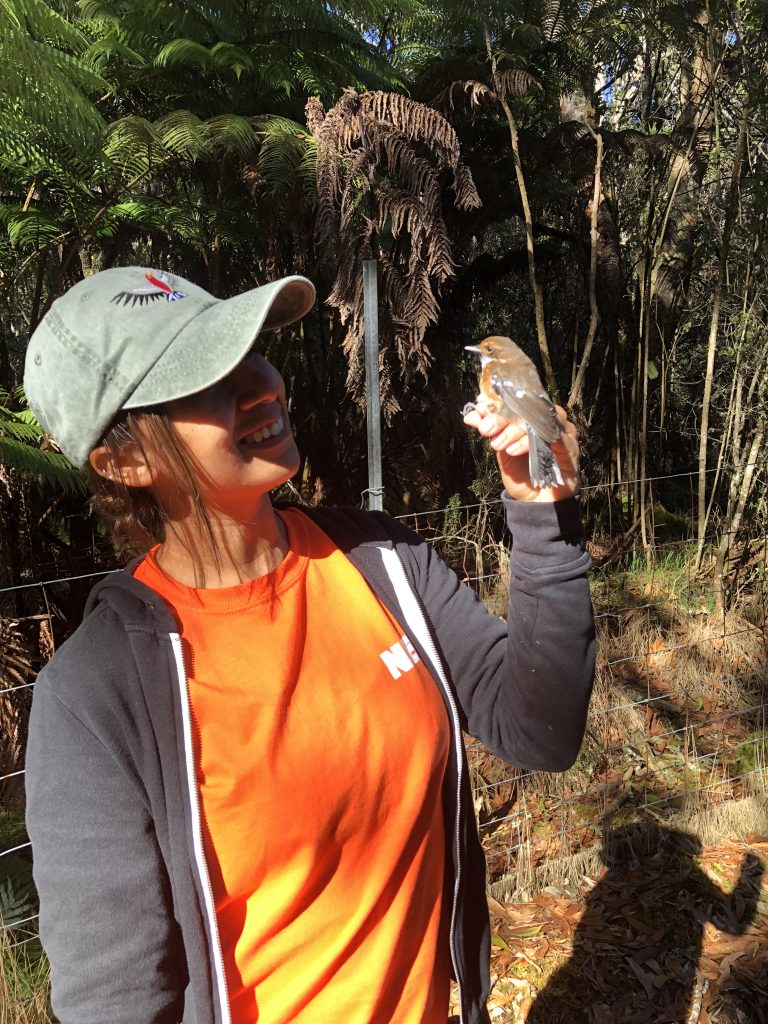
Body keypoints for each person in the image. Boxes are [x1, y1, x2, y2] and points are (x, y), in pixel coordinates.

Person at [23, 266, 595, 1024]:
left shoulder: (381, 564)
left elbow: (541, 729)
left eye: (250, 349)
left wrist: (540, 515)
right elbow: (114, 999)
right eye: (203, 376)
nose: (261, 382)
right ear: (124, 462)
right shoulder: (99, 692)